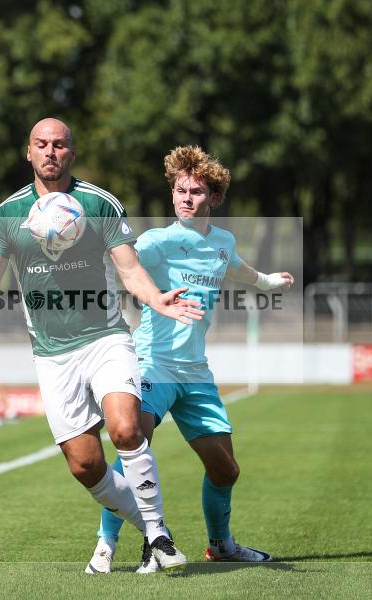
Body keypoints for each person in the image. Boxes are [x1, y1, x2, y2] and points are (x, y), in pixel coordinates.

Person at [0, 118, 204, 572]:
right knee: (85, 464)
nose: (50, 152)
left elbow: (130, 270)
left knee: (126, 428)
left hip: (105, 339)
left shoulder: (99, 203)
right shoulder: (6, 217)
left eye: (59, 145)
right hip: (53, 355)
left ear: (71, 152)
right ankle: (151, 528)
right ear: (29, 152)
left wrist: (157, 298)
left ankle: (157, 532)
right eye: (42, 144)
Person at [85, 146, 294, 574]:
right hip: (152, 364)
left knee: (225, 469)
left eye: (196, 191)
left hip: (196, 373)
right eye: (180, 190)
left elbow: (235, 268)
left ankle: (221, 545)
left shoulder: (222, 242)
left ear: (213, 199)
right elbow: (118, 261)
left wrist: (269, 282)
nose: (186, 198)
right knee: (131, 445)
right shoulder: (157, 241)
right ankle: (106, 545)